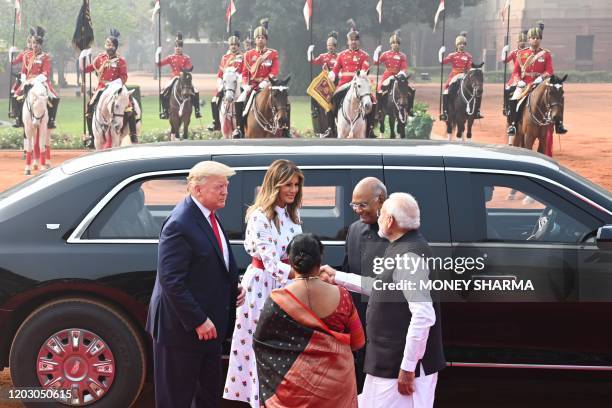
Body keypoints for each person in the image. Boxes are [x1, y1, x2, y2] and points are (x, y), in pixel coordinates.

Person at [321, 193, 446, 408]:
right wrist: (337, 277)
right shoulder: (402, 247)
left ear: (390, 221)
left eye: (382, 214)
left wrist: (407, 368)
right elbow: (382, 288)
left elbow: (424, 316)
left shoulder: (409, 257)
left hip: (399, 369)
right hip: (388, 364)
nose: (378, 218)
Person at [146, 160, 245, 408]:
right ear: (197, 189)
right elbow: (171, 280)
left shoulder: (209, 216)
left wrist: (232, 290)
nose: (225, 192)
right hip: (182, 331)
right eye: (218, 187)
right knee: (176, 400)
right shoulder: (180, 223)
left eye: (226, 186)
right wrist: (198, 320)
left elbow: (211, 265)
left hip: (208, 329)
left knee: (207, 397)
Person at [224, 159, 304, 407]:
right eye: (287, 185)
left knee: (284, 349)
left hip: (287, 289)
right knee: (260, 347)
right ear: (274, 185)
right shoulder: (259, 217)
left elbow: (297, 252)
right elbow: (270, 262)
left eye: (296, 185)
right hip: (261, 289)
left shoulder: (293, 215)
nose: (292, 190)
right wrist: (305, 276)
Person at [254, 233, 365, 407]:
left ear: (291, 262)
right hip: (336, 390)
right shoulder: (342, 295)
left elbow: (261, 344)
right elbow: (358, 341)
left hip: (292, 391)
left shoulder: (277, 300)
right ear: (320, 260)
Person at [344, 177, 389, 391]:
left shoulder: (397, 236)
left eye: (363, 205)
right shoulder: (353, 230)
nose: (358, 210)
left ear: (380, 200)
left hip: (386, 335)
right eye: (354, 205)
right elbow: (347, 275)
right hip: (358, 331)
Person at [507, 22, 568, 137]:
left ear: (540, 39)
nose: (535, 40)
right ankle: (513, 124)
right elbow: (516, 71)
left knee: (557, 97)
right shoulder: (522, 53)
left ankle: (559, 124)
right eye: (533, 38)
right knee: (514, 99)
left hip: (541, 84)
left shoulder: (546, 54)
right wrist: (519, 80)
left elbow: (549, 71)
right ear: (528, 39)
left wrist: (540, 78)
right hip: (525, 84)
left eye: (538, 38)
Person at [80, 29, 138, 144]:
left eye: (110, 44)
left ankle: (133, 133)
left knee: (129, 106)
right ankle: (92, 136)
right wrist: (83, 57)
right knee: (90, 107)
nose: (108, 46)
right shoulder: (100, 58)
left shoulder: (121, 61)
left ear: (115, 47)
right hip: (102, 87)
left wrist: (116, 84)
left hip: (116, 86)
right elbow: (87, 69)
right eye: (107, 44)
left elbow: (124, 76)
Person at [329, 20, 376, 137]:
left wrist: (363, 72)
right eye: (351, 40)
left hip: (358, 83)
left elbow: (365, 67)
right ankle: (331, 127)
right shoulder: (341, 55)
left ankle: (370, 128)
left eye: (355, 40)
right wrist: (332, 74)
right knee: (332, 101)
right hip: (344, 83)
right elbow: (335, 69)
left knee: (373, 101)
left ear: (358, 41)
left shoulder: (363, 55)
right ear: (348, 41)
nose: (353, 42)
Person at [234, 19, 279, 138]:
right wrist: (245, 85)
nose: (260, 40)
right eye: (258, 37)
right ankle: (239, 128)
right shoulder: (248, 55)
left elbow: (274, 71)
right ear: (255, 40)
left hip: (268, 85)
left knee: (284, 101)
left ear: (266, 39)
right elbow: (244, 73)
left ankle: (285, 128)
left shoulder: (272, 54)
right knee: (240, 100)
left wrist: (266, 81)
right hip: (252, 85)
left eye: (263, 37)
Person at [12, 26, 60, 129]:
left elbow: (45, 73)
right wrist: (24, 80)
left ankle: (51, 120)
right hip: (27, 80)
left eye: (37, 44)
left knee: (55, 97)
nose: (35, 45)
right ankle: (18, 118)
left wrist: (35, 80)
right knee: (15, 96)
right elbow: (24, 71)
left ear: (41, 45)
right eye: (33, 43)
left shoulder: (45, 57)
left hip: (40, 81)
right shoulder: (26, 55)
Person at [156, 32, 201, 120]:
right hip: (173, 77)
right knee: (163, 92)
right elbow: (159, 64)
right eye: (176, 46)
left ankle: (197, 110)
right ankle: (165, 111)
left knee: (195, 91)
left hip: (183, 78)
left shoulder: (186, 57)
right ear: (174, 48)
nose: (178, 48)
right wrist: (157, 54)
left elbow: (188, 67)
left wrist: (186, 70)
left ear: (182, 48)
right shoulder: (170, 57)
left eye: (179, 47)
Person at [439, 32, 482, 121]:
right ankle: (445, 112)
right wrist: (441, 53)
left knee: (475, 89)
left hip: (464, 74)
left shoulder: (468, 56)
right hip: (454, 75)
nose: (462, 45)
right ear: (457, 45)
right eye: (460, 44)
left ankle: (476, 111)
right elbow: (443, 62)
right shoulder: (452, 55)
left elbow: (469, 67)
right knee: (446, 91)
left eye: (463, 44)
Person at [208, 31, 244, 131]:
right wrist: (220, 83)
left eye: (235, 45)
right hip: (226, 84)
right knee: (214, 100)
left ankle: (243, 120)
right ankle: (216, 122)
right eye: (231, 44)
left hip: (238, 83)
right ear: (229, 46)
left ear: (238, 46)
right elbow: (220, 73)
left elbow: (245, 71)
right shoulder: (225, 58)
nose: (233, 47)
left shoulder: (243, 57)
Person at [373, 30, 412, 116]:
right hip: (388, 75)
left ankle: (409, 109)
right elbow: (376, 63)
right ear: (391, 44)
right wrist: (376, 53)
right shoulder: (385, 54)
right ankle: (378, 110)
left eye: (397, 43)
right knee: (379, 89)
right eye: (393, 43)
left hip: (398, 75)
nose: (396, 44)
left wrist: (401, 74)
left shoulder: (402, 56)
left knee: (410, 89)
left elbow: (404, 67)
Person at [501, 30, 528, 144]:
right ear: (517, 42)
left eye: (523, 41)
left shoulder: (529, 52)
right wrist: (504, 51)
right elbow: (504, 61)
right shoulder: (514, 52)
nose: (522, 43)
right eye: (520, 41)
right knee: (507, 88)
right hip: (516, 77)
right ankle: (506, 107)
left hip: (527, 78)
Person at [8, 34, 33, 123]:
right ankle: (17, 115)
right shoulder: (23, 54)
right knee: (13, 92)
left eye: (32, 42)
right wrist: (10, 53)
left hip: (35, 78)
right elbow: (13, 62)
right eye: (29, 42)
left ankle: (51, 118)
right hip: (23, 78)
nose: (30, 44)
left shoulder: (39, 54)